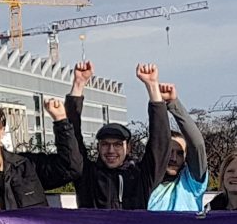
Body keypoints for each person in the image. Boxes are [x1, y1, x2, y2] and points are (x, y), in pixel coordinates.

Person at [68, 62, 166, 209]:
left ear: (129, 148)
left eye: (118, 144)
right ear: (98, 147)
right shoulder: (87, 175)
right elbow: (71, 137)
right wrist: (78, 84)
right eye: (105, 144)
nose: (111, 150)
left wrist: (152, 86)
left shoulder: (141, 176)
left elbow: (159, 142)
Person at [144, 81, 208, 212]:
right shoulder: (144, 182)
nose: (173, 158)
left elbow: (197, 145)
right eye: (169, 152)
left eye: (179, 153)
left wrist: (174, 104)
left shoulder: (191, 182)